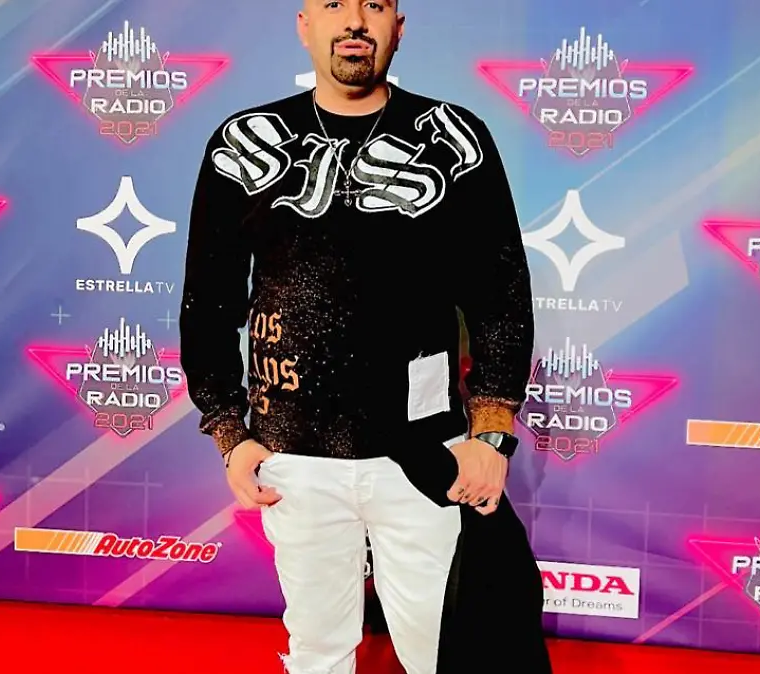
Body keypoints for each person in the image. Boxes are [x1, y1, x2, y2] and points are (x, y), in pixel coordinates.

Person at [179, 1, 550, 672]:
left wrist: (493, 433)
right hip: (292, 455)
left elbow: (499, 294)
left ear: (397, 27)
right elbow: (209, 302)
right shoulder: (244, 142)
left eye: (374, 5)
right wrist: (230, 433)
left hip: (426, 452)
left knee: (442, 652)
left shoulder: (455, 140)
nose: (354, 21)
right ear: (305, 24)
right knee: (317, 651)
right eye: (334, 4)